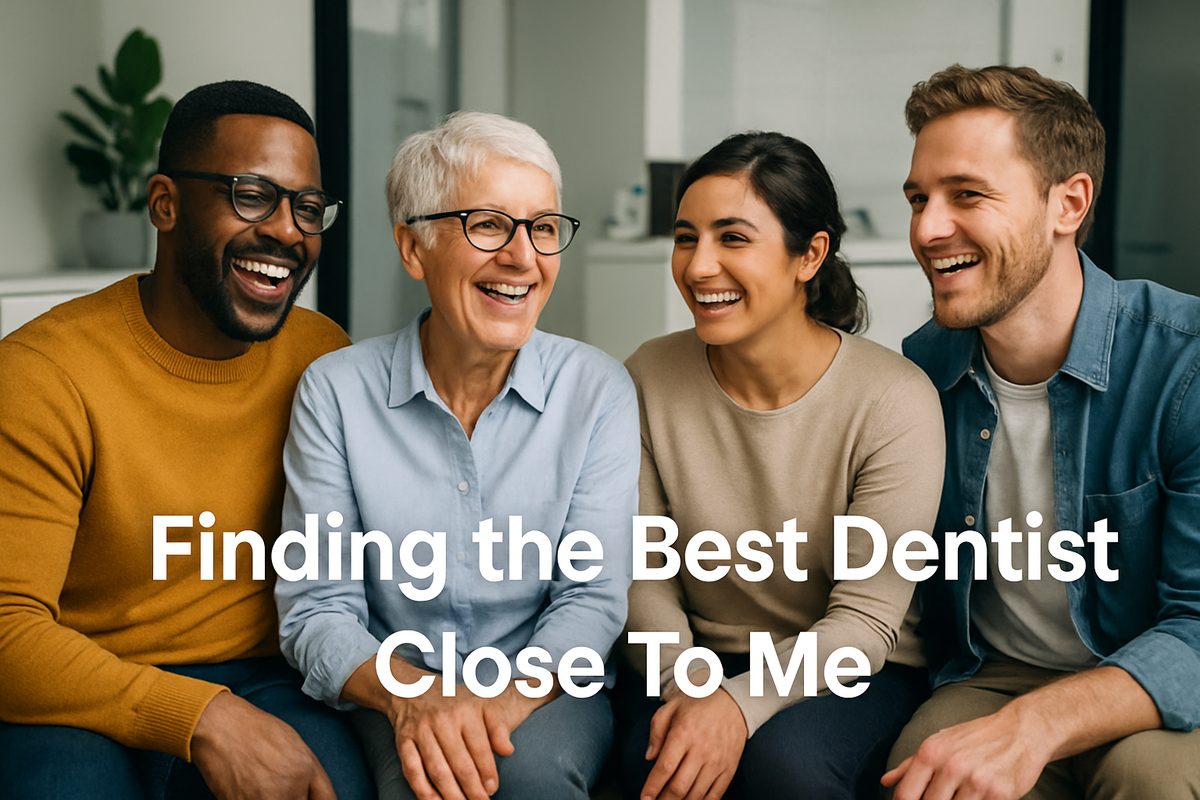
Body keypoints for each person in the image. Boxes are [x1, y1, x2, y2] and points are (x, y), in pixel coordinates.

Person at [0, 80, 373, 799]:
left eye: (306, 208)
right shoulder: (43, 375)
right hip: (75, 688)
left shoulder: (323, 358)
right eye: (253, 194)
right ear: (165, 204)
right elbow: (8, 630)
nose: (289, 232)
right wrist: (199, 717)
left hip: (267, 678)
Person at [274, 110, 640, 800]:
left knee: (525, 778)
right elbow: (317, 607)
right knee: (428, 786)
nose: (523, 258)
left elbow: (591, 596)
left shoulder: (597, 390)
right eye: (489, 225)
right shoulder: (336, 391)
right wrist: (416, 698)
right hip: (393, 683)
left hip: (545, 688)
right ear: (414, 249)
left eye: (542, 228)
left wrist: (496, 706)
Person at [884, 64, 1200, 799]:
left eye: (967, 195)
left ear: (1069, 203)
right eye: (918, 199)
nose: (928, 229)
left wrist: (1037, 725)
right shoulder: (921, 372)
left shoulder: (1184, 366)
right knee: (927, 778)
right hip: (992, 675)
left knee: (1146, 779)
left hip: (1153, 668)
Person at [618, 131, 945, 800]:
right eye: (686, 238)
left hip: (848, 668)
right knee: (653, 761)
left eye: (733, 239)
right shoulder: (649, 374)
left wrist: (738, 706)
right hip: (694, 659)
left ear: (810, 255)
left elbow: (864, 622)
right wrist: (695, 688)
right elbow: (641, 577)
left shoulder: (894, 399)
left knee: (783, 769)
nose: (700, 266)